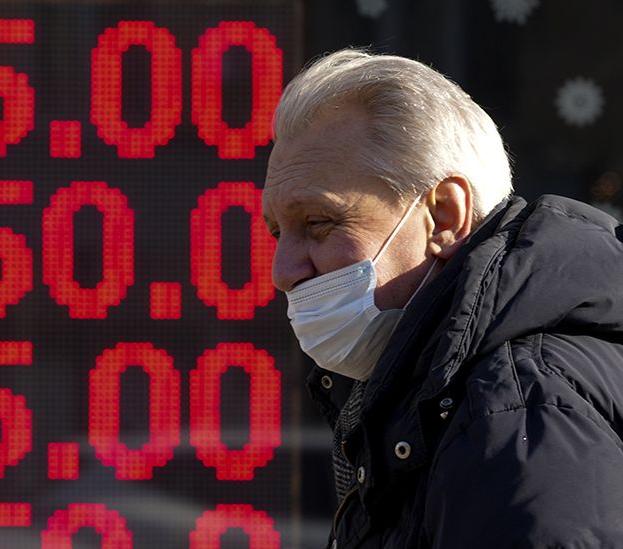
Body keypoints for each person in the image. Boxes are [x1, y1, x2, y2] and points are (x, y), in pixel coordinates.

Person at [262, 48, 623, 548]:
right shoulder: (454, 402)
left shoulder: (513, 410)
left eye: (318, 222)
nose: (283, 272)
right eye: (277, 232)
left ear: (445, 218)